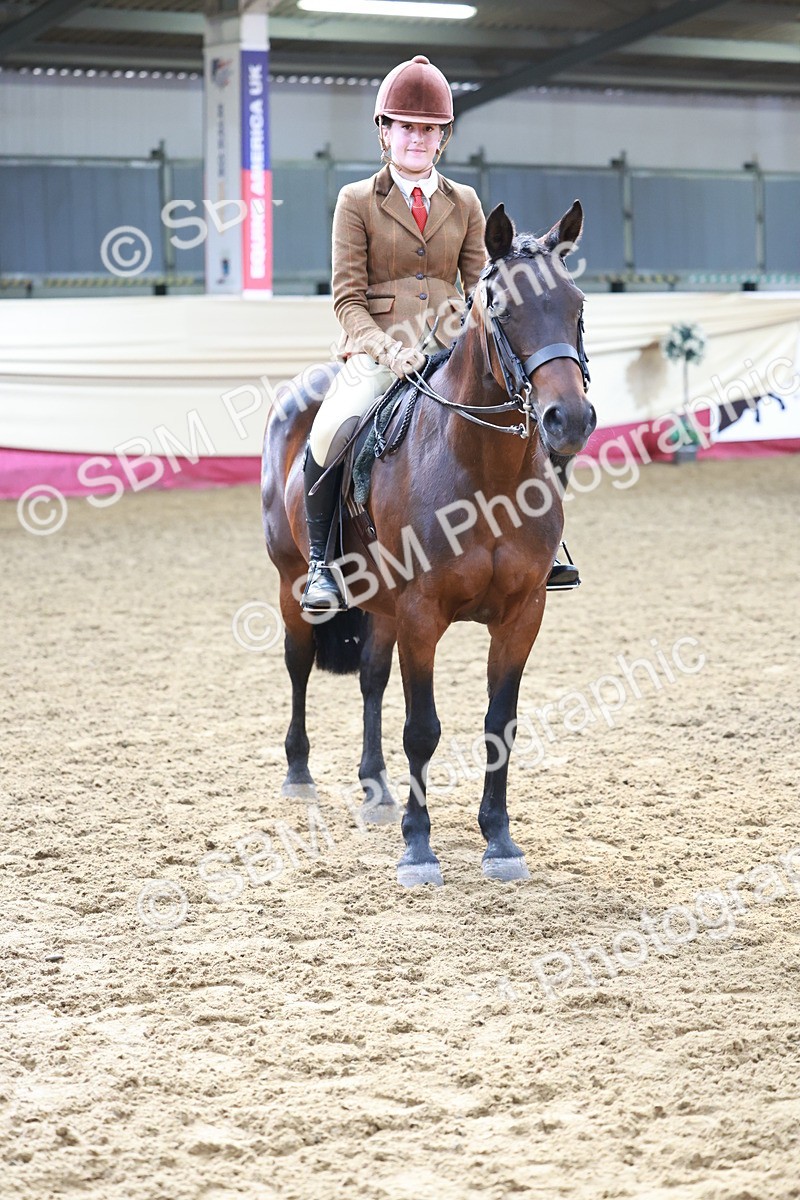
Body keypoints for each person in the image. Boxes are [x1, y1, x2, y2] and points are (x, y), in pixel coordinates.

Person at [300, 54, 579, 612]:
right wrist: (384, 347)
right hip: (380, 347)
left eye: (428, 130)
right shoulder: (356, 201)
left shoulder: (467, 202)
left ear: (443, 138)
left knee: (526, 414)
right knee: (332, 427)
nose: (417, 139)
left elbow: (482, 284)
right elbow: (347, 298)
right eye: (406, 128)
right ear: (385, 132)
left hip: (455, 342)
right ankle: (321, 563)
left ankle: (544, 544)